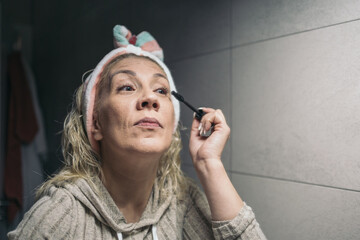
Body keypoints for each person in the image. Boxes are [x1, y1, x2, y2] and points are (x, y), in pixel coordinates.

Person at [8, 25, 267, 239]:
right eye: (127, 87)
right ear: (95, 123)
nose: (150, 99)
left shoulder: (183, 204)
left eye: (161, 90)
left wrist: (209, 164)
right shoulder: (61, 214)